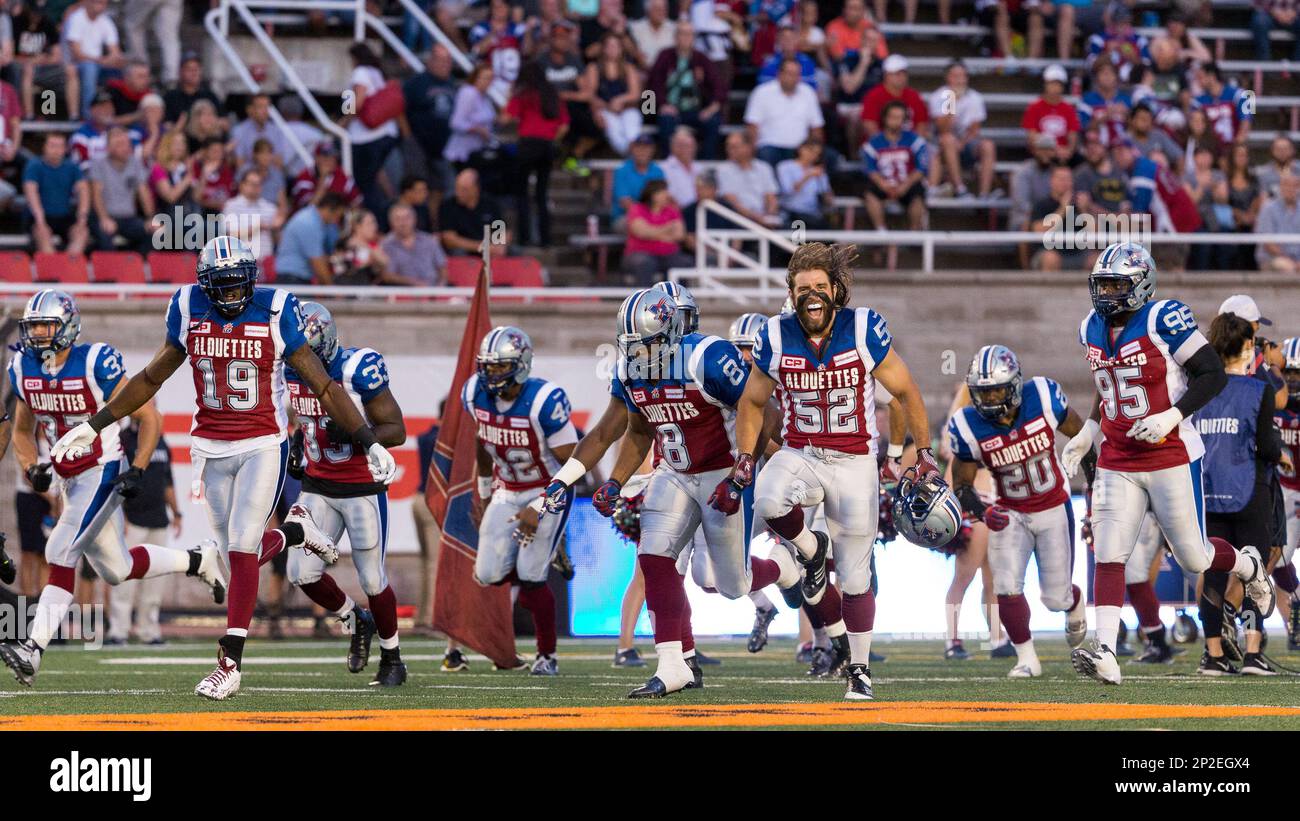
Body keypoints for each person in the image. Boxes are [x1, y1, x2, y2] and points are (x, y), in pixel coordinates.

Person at [46, 236, 398, 700]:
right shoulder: (188, 306)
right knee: (236, 565)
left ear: (252, 282)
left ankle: (229, 663)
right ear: (206, 285)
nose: (232, 296)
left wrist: (369, 440)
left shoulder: (275, 309)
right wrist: (95, 425)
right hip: (210, 445)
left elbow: (327, 387)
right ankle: (295, 533)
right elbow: (152, 376)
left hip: (261, 444)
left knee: (240, 546)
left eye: (238, 287)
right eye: (223, 287)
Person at [541, 289, 798, 696]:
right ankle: (672, 664)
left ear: (673, 330)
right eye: (634, 347)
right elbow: (623, 430)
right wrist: (590, 479)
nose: (641, 355)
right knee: (654, 557)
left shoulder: (706, 357)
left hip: (721, 472)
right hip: (674, 472)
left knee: (729, 584)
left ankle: (783, 567)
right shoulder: (630, 370)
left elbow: (764, 411)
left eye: (649, 344)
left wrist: (744, 467)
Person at [732, 242, 940, 700]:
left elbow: (906, 392)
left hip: (854, 459)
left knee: (855, 573)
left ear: (836, 289)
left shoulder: (863, 328)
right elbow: (751, 400)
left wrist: (920, 451)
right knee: (766, 498)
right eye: (803, 287)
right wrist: (745, 457)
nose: (812, 294)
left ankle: (859, 670)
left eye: (820, 286)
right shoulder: (775, 334)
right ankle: (810, 547)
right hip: (801, 451)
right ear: (791, 291)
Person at [1061, 241, 1275, 685]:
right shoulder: (1089, 327)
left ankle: (1249, 566)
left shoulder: (1164, 318)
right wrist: (1088, 433)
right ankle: (1105, 650)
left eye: (1118, 284)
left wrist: (1172, 414)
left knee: (1194, 557)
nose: (1108, 294)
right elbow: (1112, 390)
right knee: (1109, 551)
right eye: (1103, 284)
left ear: (1141, 283)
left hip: (1170, 453)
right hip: (1119, 457)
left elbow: (1212, 372)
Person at [0, 289, 225, 687]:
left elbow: (149, 416)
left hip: (102, 468)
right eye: (32, 326)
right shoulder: (23, 367)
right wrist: (31, 464)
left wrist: (137, 468)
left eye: (45, 326)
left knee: (60, 549)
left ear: (67, 327)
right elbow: (21, 430)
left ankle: (32, 648)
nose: (37, 335)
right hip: (68, 479)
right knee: (117, 569)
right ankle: (198, 561)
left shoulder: (93, 363)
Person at [948, 345, 1091, 678]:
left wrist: (1095, 487)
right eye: (982, 393)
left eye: (997, 389)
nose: (990, 399)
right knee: (1006, 585)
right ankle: (1026, 658)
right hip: (1009, 510)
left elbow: (1084, 440)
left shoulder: (1041, 397)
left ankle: (1073, 600)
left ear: (1014, 384)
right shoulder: (969, 426)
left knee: (1054, 599)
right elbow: (962, 486)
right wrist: (982, 513)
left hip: (1053, 505)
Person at [284, 303, 408, 686]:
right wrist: (296, 443)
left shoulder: (358, 369)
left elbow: (396, 429)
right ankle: (357, 619)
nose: (305, 361)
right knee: (300, 572)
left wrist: (357, 433)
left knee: (372, 579)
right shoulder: (288, 366)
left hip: (361, 487)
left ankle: (393, 659)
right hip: (317, 485)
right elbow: (303, 417)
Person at [466, 327, 576, 676]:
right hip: (507, 488)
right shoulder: (474, 394)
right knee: (486, 573)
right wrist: (484, 492)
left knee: (531, 577)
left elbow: (575, 464)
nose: (491, 374)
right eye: (488, 367)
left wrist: (541, 506)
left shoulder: (544, 401)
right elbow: (481, 443)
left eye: (500, 367)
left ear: (522, 364)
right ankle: (547, 552)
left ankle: (547, 656)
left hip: (548, 489)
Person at [1191, 313, 1283, 675]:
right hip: (1249, 490)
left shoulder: (1198, 390)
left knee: (1213, 575)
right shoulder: (1259, 390)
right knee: (1254, 573)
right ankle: (1252, 651)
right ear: (1247, 345)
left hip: (1208, 491)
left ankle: (1212, 654)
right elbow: (1266, 447)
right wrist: (1281, 452)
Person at [105, 422, 183, 646]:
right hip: (133, 520)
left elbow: (168, 481)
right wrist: (121, 516)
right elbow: (114, 479)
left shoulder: (160, 440)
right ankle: (118, 631)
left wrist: (176, 512)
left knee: (155, 582)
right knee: (125, 578)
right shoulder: (124, 439)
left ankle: (149, 631)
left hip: (159, 520)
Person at [503, 61, 568, 248]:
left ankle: (525, 238)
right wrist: (551, 138)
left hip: (527, 145)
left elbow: (506, 117)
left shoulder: (524, 94)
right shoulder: (553, 95)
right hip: (547, 147)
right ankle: (545, 240)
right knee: (542, 195)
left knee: (522, 194)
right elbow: (564, 126)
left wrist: (509, 98)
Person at [646, 21, 724, 160]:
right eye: (682, 33)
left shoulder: (701, 58)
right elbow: (653, 85)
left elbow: (718, 86)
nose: (686, 37)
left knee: (713, 121)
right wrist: (662, 105)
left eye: (689, 34)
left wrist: (712, 107)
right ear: (675, 37)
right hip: (670, 110)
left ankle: (705, 163)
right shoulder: (664, 56)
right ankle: (669, 163)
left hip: (695, 110)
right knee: (666, 121)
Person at [345, 44, 400, 225]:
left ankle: (376, 222)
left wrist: (344, 121)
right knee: (374, 179)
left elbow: (358, 101)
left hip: (367, 137)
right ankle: (385, 215)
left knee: (364, 184)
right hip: (386, 133)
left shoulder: (360, 72)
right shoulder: (377, 72)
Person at [928, 60, 995, 199]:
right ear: (947, 77)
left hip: (965, 144)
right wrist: (952, 102)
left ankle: (984, 194)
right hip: (942, 146)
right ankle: (960, 189)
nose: (959, 80)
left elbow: (974, 129)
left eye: (962, 76)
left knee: (988, 145)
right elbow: (943, 129)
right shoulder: (937, 96)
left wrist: (962, 143)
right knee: (948, 140)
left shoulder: (975, 97)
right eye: (955, 76)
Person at [744, 57, 824, 168]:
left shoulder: (808, 92)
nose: (794, 78)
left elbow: (816, 127)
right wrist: (752, 149)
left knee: (829, 157)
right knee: (766, 155)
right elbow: (752, 126)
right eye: (790, 73)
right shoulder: (762, 92)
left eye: (797, 74)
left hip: (800, 148)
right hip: (770, 146)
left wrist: (815, 149)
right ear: (779, 74)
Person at [863, 99, 929, 233]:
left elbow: (921, 168)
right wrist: (884, 185)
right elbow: (870, 169)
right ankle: (881, 230)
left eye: (900, 118)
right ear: (885, 118)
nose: (896, 121)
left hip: (907, 183)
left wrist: (905, 185)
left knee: (918, 192)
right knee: (868, 191)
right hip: (883, 183)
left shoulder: (915, 140)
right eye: (893, 117)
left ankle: (914, 231)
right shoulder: (873, 143)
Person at [402, 45, 458, 195]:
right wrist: (408, 137)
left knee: (441, 188)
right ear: (431, 61)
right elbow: (399, 109)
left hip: (442, 146)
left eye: (448, 61)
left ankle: (435, 219)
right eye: (441, 61)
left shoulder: (450, 83)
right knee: (417, 187)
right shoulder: (417, 83)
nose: (445, 65)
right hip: (418, 144)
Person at [89, 126, 154, 254]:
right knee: (105, 235)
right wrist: (104, 219)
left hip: (129, 218)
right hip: (105, 216)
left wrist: (150, 218)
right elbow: (96, 194)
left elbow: (143, 192)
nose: (126, 147)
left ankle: (137, 269)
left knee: (155, 233)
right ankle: (110, 272)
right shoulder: (98, 163)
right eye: (119, 144)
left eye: (127, 143)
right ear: (108, 148)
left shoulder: (135, 163)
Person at [23, 132, 90, 255]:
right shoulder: (34, 165)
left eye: (60, 146)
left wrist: (82, 220)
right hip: (40, 216)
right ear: (44, 147)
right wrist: (41, 222)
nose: (56, 150)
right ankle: (52, 269)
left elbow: (84, 192)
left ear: (65, 149)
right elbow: (31, 194)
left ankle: (68, 267)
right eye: (52, 145)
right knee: (43, 235)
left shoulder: (72, 167)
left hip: (64, 215)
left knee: (82, 233)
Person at [11, 0, 78, 120]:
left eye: (39, 14)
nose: (36, 16)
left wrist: (38, 60)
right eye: (34, 13)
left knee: (69, 70)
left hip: (43, 66)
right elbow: (10, 55)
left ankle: (72, 116)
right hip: (20, 68)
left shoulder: (47, 23)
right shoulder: (16, 23)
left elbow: (57, 55)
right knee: (28, 70)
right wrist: (33, 60)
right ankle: (29, 115)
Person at [584, 32, 644, 157]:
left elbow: (635, 93)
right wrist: (605, 106)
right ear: (603, 48)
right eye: (609, 46)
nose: (612, 49)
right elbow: (590, 94)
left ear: (621, 49)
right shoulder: (594, 68)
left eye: (616, 46)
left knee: (631, 127)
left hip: (627, 109)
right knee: (614, 132)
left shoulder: (628, 68)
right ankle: (634, 155)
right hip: (604, 109)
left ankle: (635, 152)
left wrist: (620, 100)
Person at [621, 179, 690, 282]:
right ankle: (646, 298)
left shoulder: (672, 210)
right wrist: (667, 228)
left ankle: (676, 297)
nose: (667, 195)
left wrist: (651, 232)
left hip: (668, 253)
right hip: (640, 253)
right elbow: (641, 232)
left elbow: (679, 235)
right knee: (645, 263)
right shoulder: (637, 209)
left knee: (681, 262)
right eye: (663, 192)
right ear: (653, 194)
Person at [64, 0, 124, 117]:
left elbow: (115, 51)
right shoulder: (76, 18)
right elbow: (77, 54)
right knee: (89, 68)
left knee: (120, 69)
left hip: (97, 62)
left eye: (103, 3)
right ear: (87, 2)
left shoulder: (106, 21)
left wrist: (113, 59)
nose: (100, 6)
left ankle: (116, 114)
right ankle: (89, 115)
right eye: (97, 2)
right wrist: (101, 60)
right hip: (74, 63)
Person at [276, 191, 348, 285]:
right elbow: (318, 263)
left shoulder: (313, 220)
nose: (336, 220)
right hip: (292, 279)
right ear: (328, 209)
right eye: (337, 216)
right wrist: (333, 292)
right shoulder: (309, 223)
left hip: (296, 277)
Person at [438, 168, 507, 256]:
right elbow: (449, 239)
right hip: (465, 249)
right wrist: (482, 247)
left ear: (476, 189)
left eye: (464, 189)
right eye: (457, 188)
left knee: (513, 251)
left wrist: (498, 245)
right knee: (458, 252)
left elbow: (502, 230)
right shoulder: (447, 206)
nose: (458, 193)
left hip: (490, 249)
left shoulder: (490, 204)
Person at [717, 131, 779, 227]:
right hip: (738, 220)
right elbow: (732, 201)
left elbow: (771, 197)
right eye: (728, 146)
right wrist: (758, 219)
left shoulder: (764, 167)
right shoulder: (723, 170)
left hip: (764, 218)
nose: (729, 150)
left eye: (734, 147)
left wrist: (769, 216)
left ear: (748, 147)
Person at [222, 168, 283, 262]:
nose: (255, 187)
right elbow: (230, 236)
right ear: (242, 185)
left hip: (265, 261)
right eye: (252, 184)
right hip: (239, 261)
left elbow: (277, 241)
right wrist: (257, 227)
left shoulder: (270, 208)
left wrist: (276, 228)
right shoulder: (231, 206)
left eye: (258, 184)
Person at [443, 64, 497, 170]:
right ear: (476, 77)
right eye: (485, 78)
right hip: (462, 153)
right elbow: (456, 122)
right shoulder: (468, 93)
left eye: (491, 78)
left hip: (477, 150)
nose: (488, 81)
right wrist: (478, 129)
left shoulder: (485, 97)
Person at [1022, 64, 1080, 162]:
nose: (1055, 87)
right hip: (1042, 151)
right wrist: (1054, 149)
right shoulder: (1034, 107)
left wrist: (1069, 151)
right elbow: (1031, 136)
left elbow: (1072, 134)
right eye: (1052, 83)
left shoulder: (1068, 108)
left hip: (1063, 153)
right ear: (1045, 84)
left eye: (1058, 84)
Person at [381, 202, 447, 285]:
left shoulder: (429, 241)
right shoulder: (386, 245)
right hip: (402, 291)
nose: (403, 223)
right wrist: (413, 282)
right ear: (391, 223)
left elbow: (442, 268)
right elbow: (387, 276)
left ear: (414, 220)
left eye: (407, 218)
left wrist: (440, 289)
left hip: (432, 290)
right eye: (398, 219)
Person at [611, 134, 664, 230]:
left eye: (646, 148)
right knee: (636, 224)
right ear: (632, 149)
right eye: (639, 147)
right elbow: (625, 202)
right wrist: (647, 216)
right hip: (626, 216)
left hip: (653, 215)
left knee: (676, 222)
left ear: (653, 150)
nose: (642, 151)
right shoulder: (622, 170)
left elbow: (662, 198)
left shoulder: (658, 171)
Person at [776, 139, 833, 229]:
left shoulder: (819, 172)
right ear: (801, 149)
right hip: (791, 213)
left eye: (817, 154)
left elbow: (828, 199)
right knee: (799, 229)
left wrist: (826, 191)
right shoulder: (785, 166)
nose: (812, 155)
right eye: (810, 151)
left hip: (813, 215)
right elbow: (787, 191)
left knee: (825, 230)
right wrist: (807, 176)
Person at [291, 142, 362, 212]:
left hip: (333, 221)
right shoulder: (304, 177)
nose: (331, 160)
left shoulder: (341, 174)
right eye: (326, 156)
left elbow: (357, 202)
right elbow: (309, 208)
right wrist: (323, 178)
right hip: (307, 221)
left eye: (333, 157)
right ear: (317, 158)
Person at [230, 93, 292, 170]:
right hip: (248, 176)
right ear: (250, 110)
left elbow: (279, 161)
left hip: (271, 174)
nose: (265, 111)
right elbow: (240, 163)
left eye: (267, 107)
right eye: (260, 107)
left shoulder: (276, 130)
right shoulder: (239, 131)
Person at [1255, 172, 1300, 273]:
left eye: (1295, 185)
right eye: (1286, 185)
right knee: (1287, 267)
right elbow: (1268, 243)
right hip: (1273, 258)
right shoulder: (1268, 208)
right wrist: (1291, 261)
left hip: (1298, 260)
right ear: (1280, 187)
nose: (1290, 189)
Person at [163, 51, 223, 125]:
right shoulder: (171, 97)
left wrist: (208, 122)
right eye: (189, 69)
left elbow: (224, 122)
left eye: (197, 68)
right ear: (180, 72)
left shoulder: (210, 95)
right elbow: (167, 125)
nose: (194, 72)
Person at [660, 127, 700, 210]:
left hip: (700, 212)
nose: (687, 149)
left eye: (690, 146)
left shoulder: (700, 168)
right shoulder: (663, 168)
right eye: (682, 145)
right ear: (673, 147)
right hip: (675, 214)